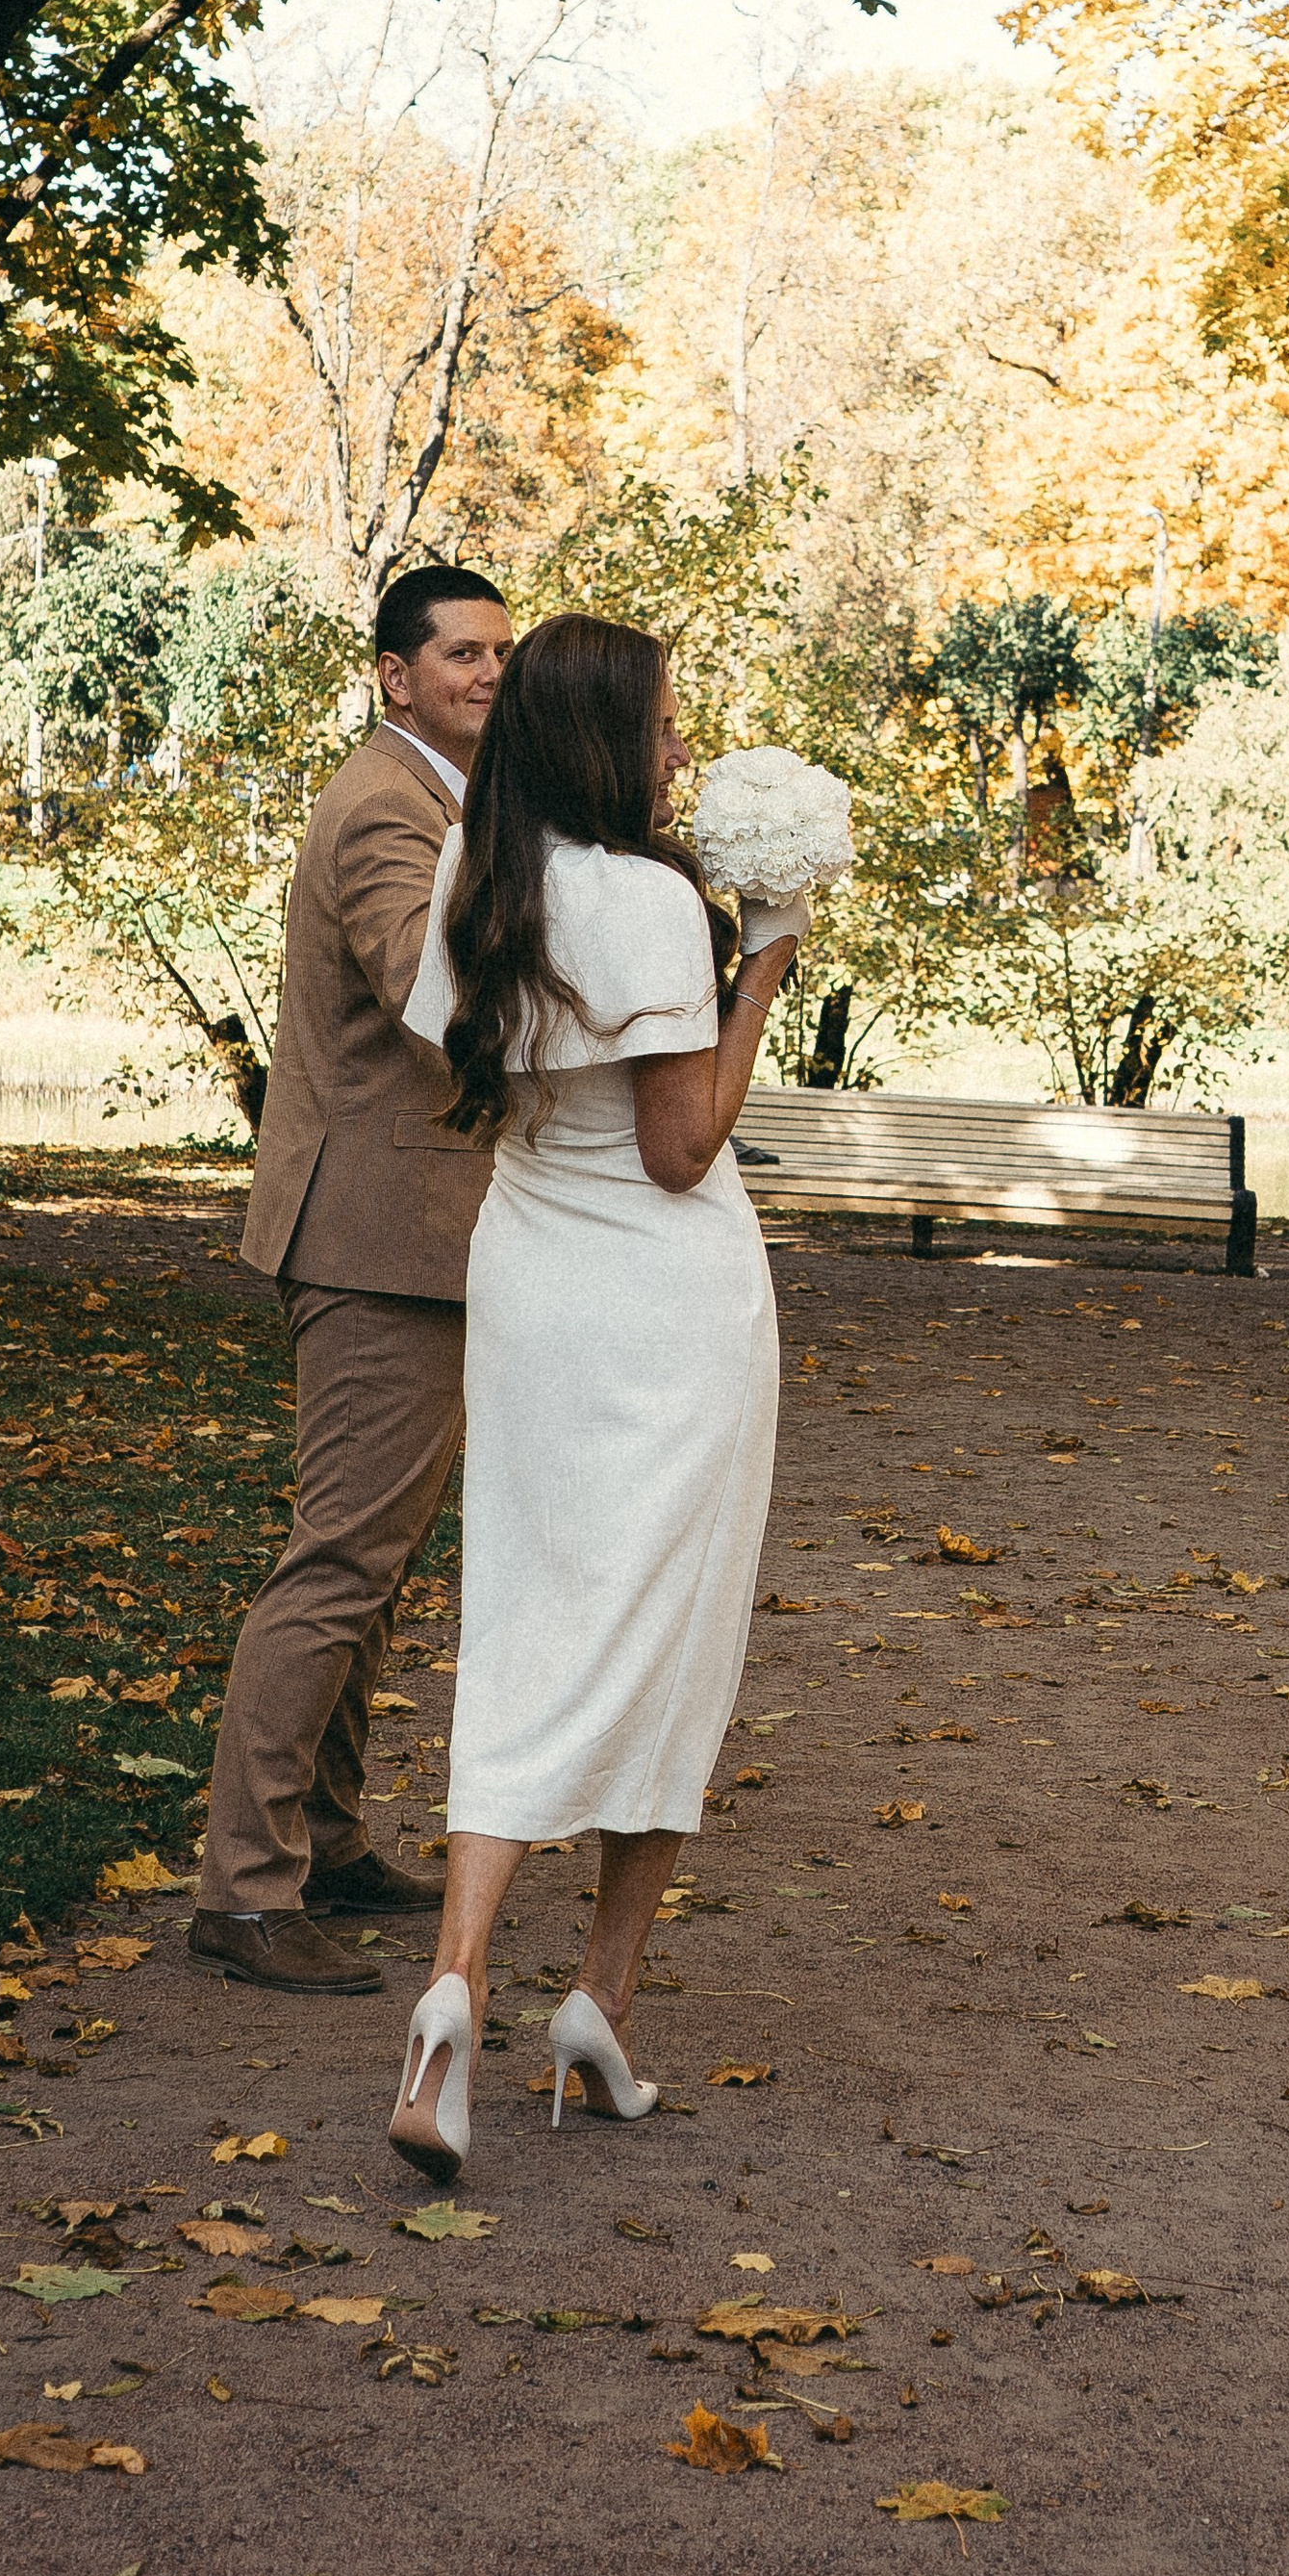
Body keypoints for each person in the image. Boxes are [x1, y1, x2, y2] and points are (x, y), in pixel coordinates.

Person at [383, 611, 804, 2178]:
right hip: (665, 1300)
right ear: (605, 738)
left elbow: (465, 1078)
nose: (680, 750)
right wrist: (763, 964)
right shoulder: (648, 900)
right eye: (664, 725)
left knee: (527, 1615)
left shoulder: (476, 869)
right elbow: (682, 1147)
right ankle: (601, 2001)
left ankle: (453, 1991)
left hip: (531, 1279)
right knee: (670, 1634)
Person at [190, 565, 513, 1997]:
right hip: (378, 1240)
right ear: (396, 675)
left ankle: (322, 1841)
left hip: (413, 1233)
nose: (489, 674)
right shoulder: (389, 803)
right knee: (335, 1568)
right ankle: (246, 1893)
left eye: (502, 652)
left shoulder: (449, 798)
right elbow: (427, 988)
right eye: (461, 654)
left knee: (370, 1572)